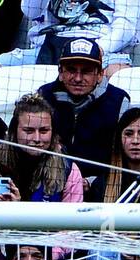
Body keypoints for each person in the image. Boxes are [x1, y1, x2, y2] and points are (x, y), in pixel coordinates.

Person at [37, 38, 131, 184]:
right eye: (71, 70)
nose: (78, 78)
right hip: (48, 182)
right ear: (61, 72)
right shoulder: (43, 96)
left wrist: (93, 182)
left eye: (86, 71)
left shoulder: (119, 102)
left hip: (102, 187)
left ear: (100, 74)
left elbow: (125, 158)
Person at [0, 94, 86, 203]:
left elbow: (73, 219)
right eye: (28, 131)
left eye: (44, 131)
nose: (37, 138)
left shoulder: (68, 169)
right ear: (14, 132)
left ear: (53, 132)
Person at [0, 0, 140, 69]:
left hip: (102, 50)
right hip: (47, 49)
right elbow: (30, 11)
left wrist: (96, 50)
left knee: (119, 76)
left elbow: (126, 28)